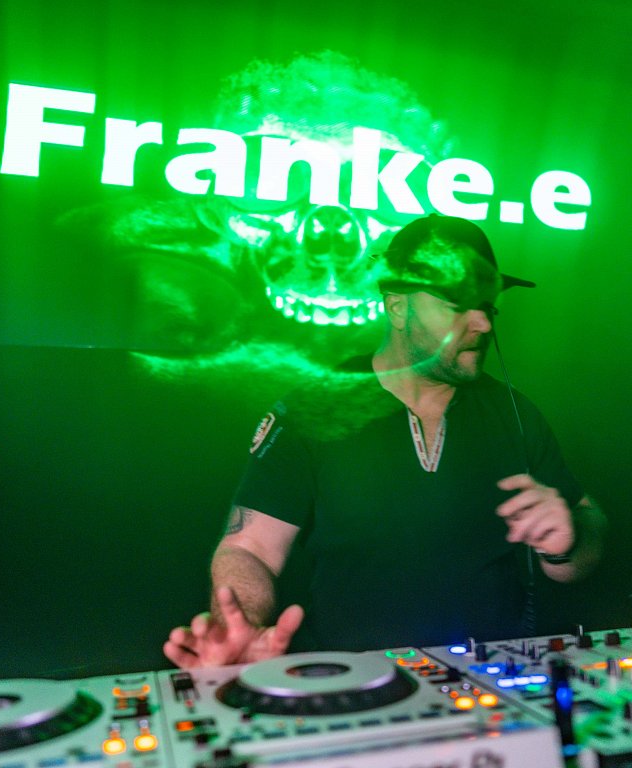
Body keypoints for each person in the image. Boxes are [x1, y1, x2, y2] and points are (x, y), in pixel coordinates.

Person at [163, 214, 605, 668]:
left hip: (492, 679)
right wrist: (239, 624)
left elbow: (584, 531)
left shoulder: (515, 414)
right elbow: (250, 547)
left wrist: (569, 542)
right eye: (458, 304)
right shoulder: (315, 407)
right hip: (349, 682)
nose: (483, 324)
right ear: (397, 307)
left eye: (487, 306)